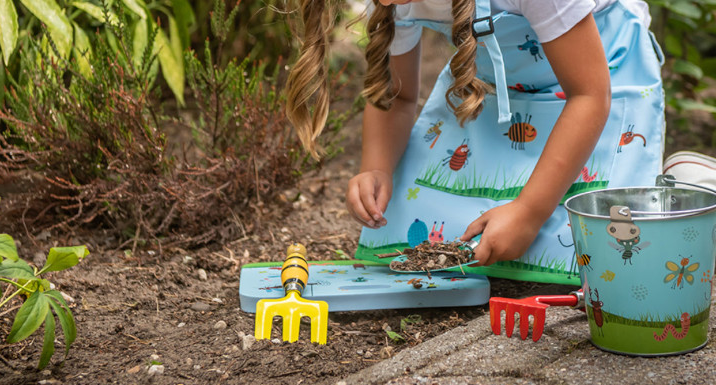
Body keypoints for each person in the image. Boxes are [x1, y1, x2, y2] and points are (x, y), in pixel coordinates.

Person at [285, 0, 665, 284]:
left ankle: (686, 176)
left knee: (607, 256)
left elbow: (589, 95)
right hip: (499, 91)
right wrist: (376, 166)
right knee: (431, 235)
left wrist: (529, 212)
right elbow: (397, 97)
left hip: (601, 82)